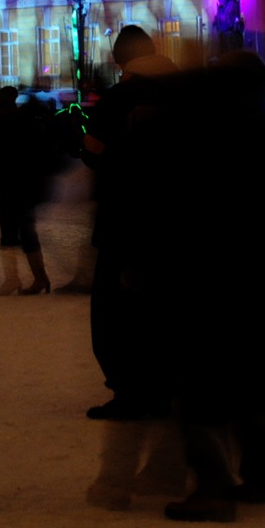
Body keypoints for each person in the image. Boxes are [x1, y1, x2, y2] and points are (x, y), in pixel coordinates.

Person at [147, 54, 265, 522]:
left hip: (210, 281)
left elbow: (186, 208)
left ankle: (212, 488)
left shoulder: (209, 130)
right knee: (252, 385)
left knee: (197, 387)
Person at [80, 25, 177, 420]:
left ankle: (132, 392)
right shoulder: (185, 96)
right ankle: (169, 384)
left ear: (121, 61)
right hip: (176, 221)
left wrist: (90, 146)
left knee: (115, 313)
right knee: (164, 306)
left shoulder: (117, 100)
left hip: (125, 221)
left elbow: (100, 154)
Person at [0, 87, 52, 295]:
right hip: (26, 182)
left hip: (6, 181)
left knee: (8, 232)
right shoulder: (26, 120)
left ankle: (13, 279)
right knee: (28, 230)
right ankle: (40, 277)